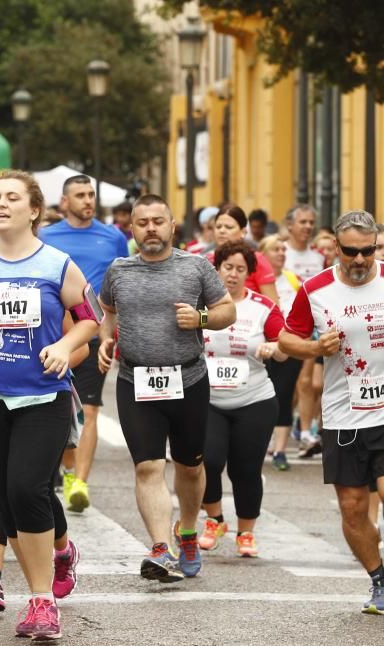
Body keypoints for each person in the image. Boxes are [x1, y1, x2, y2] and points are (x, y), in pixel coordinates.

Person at [0, 170, 95, 641]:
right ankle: (57, 558)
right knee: (7, 494)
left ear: (33, 210)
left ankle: (41, 601)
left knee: (26, 488)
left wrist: (66, 345)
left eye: (12, 197)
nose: (1, 204)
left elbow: (89, 319)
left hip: (45, 396)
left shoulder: (56, 263)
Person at [98, 193, 236, 583]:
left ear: (173, 226)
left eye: (158, 221)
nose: (151, 229)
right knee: (148, 465)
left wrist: (201, 317)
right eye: (143, 223)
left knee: (191, 467)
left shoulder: (195, 267)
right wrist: (107, 339)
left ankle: (188, 531)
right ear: (132, 228)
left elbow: (228, 310)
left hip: (188, 378)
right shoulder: (119, 270)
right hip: (135, 379)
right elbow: (106, 311)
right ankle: (161, 547)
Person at [278, 210, 384, 614]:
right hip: (343, 415)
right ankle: (379, 578)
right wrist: (315, 349)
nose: (360, 260)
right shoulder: (316, 289)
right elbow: (288, 339)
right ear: (335, 247)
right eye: (352, 252)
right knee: (353, 508)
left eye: (368, 251)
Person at [38, 174, 129, 515]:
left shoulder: (113, 238)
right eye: (80, 195)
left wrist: (110, 336)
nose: (88, 200)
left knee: (89, 409)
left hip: (93, 335)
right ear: (64, 202)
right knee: (58, 410)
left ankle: (79, 481)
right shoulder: (46, 236)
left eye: (91, 194)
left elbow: (116, 292)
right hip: (54, 337)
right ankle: (62, 467)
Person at [200, 241, 286, 556]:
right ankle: (214, 520)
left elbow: (285, 342)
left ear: (249, 274)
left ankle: (246, 532)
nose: (233, 275)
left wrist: (275, 349)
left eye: (240, 270)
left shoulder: (262, 307)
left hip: (255, 400)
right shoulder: (200, 304)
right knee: (207, 460)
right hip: (208, 400)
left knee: (245, 469)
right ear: (216, 269)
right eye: (228, 268)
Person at [284, 205, 326, 457]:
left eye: (311, 222)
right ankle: (281, 422)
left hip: (312, 325)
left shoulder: (319, 257)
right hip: (286, 326)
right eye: (302, 222)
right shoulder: (281, 252)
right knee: (286, 382)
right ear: (290, 225)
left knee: (308, 381)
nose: (308, 226)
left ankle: (306, 431)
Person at [258, 235, 303, 470]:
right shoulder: (252, 279)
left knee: (284, 395)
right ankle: (261, 442)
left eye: (283, 249)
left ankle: (281, 451)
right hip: (259, 345)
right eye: (275, 249)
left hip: (289, 343)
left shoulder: (293, 279)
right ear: (262, 254)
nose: (281, 253)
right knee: (263, 395)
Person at [210, 204, 279, 305]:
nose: (222, 231)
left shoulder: (257, 260)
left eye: (229, 227)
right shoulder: (205, 260)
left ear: (243, 232)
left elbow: (274, 306)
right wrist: (204, 319)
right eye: (218, 226)